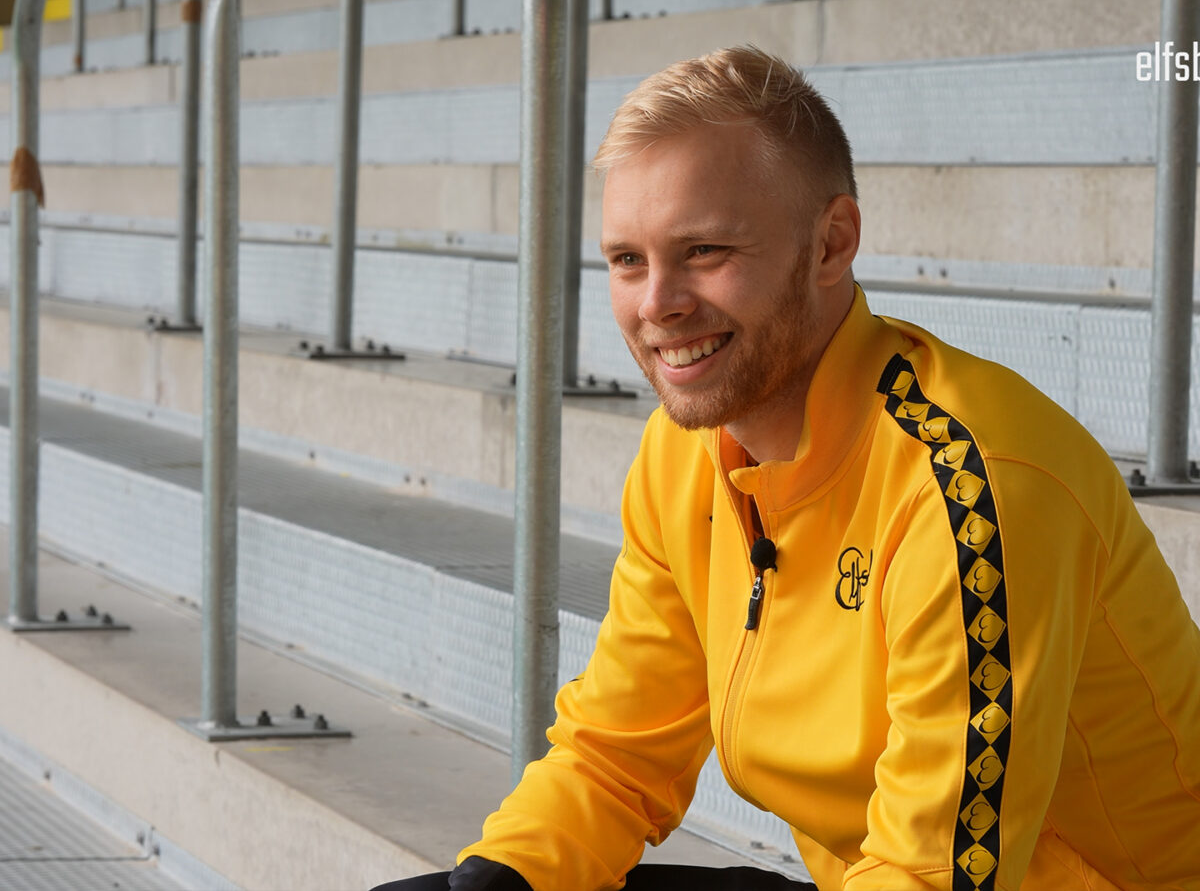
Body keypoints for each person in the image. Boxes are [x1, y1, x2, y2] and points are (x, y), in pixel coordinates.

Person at [376, 46, 1200, 891]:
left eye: (704, 250)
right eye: (627, 259)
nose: (657, 303)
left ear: (831, 243)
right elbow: (616, 753)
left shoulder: (971, 487)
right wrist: (502, 877)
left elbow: (931, 875)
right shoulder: (686, 451)